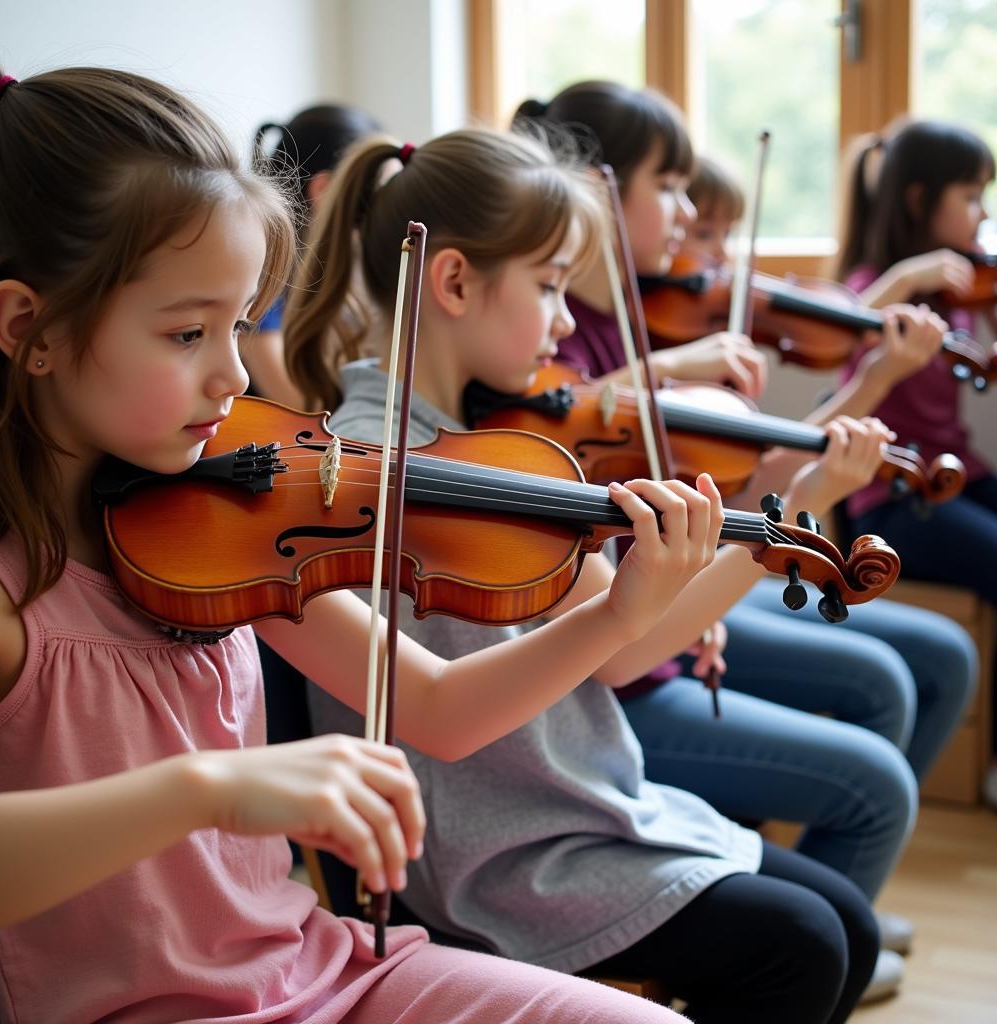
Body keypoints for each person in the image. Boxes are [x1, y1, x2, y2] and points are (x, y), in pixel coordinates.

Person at [0, 52, 725, 1024]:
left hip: (318, 966)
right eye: (186, 333)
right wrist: (206, 789)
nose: (236, 378)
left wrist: (618, 612)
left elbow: (439, 707)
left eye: (241, 324)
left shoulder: (214, 518)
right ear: (26, 325)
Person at [292, 125, 887, 1024]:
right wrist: (772, 520)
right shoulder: (372, 466)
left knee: (847, 928)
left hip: (572, 800)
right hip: (484, 850)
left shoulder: (504, 448)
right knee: (802, 946)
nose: (568, 322)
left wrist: (783, 506)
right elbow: (576, 662)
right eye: (549, 286)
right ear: (453, 282)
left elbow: (623, 645)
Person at [518, 80, 977, 993]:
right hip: (626, 670)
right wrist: (668, 378)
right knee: (881, 721)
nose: (694, 232)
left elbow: (741, 481)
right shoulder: (565, 359)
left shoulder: (624, 324)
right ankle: (798, 933)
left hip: (660, 627)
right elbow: (587, 451)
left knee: (907, 673)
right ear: (599, 188)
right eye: (673, 191)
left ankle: (819, 908)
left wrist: (862, 399)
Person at [833, 117, 997, 803]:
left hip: (958, 475)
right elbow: (838, 338)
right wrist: (904, 278)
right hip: (894, 498)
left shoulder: (963, 292)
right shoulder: (878, 287)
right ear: (918, 198)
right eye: (971, 195)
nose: (983, 212)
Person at [247, 103, 383, 408]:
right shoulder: (260, 272)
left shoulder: (328, 267)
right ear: (323, 190)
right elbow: (304, 405)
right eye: (376, 193)